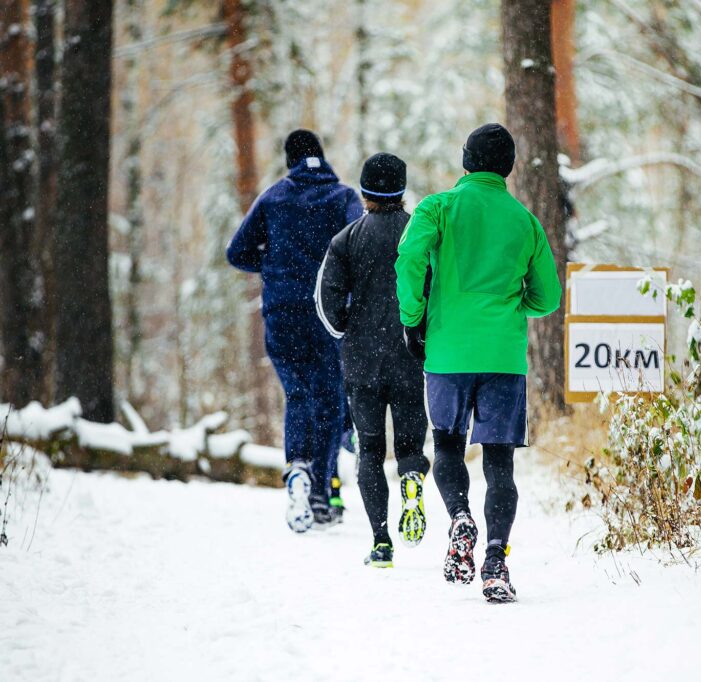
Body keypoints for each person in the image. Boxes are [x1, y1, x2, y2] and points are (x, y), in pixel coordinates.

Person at [394, 123, 562, 602]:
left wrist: (413, 317)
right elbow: (547, 298)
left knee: (447, 447)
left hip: (446, 353)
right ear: (508, 167)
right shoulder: (525, 221)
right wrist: (511, 305)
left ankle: (460, 518)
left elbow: (408, 257)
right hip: (503, 359)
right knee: (500, 464)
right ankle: (494, 559)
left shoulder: (439, 208)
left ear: (465, 161)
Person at [226, 129, 362, 533]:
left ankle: (298, 471)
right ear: (322, 156)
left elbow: (237, 252)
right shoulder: (343, 198)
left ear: (290, 161)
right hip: (328, 314)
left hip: (283, 314)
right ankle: (321, 492)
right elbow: (358, 245)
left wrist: (272, 266)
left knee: (299, 394)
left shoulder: (273, 197)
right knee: (331, 400)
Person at [315, 153, 430, 568]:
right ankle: (413, 477)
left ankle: (381, 542)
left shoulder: (345, 239)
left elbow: (326, 302)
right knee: (409, 443)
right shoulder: (419, 234)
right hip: (410, 356)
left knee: (369, 449)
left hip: (362, 359)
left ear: (364, 191)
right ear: (401, 190)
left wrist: (348, 327)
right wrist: (421, 333)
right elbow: (434, 291)